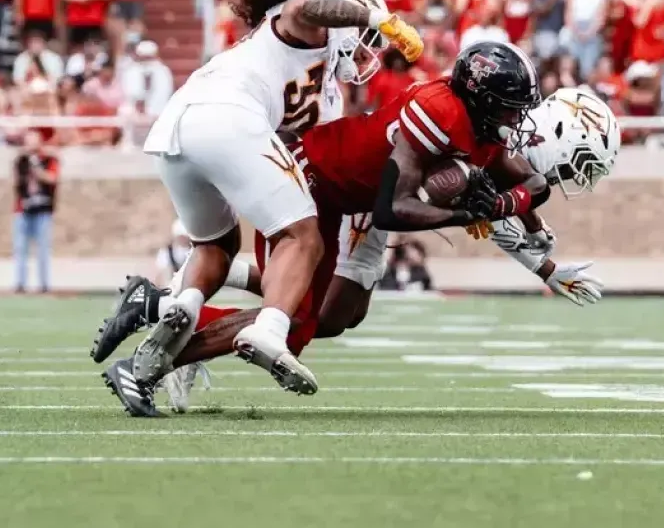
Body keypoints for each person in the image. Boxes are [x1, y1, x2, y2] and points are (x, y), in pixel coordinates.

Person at [105, 41, 554, 416]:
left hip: (336, 197)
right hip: (310, 181)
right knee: (300, 321)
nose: (516, 119)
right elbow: (390, 211)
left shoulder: (474, 121)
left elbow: (533, 182)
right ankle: (144, 366)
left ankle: (159, 310)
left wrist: (513, 209)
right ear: (481, 97)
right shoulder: (440, 114)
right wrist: (468, 214)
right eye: (510, 108)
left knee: (328, 317)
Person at [90, 0, 424, 406]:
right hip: (228, 113)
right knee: (301, 237)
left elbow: (315, 159)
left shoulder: (327, 90)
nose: (367, 54)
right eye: (365, 42)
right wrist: (374, 18)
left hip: (179, 125)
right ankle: (269, 330)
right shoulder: (309, 27)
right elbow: (308, 4)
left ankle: (175, 304)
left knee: (216, 244)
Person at [12, 131, 59, 293]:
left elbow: (53, 178)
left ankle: (44, 284)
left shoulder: (49, 159)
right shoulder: (21, 161)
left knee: (43, 249)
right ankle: (20, 283)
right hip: (23, 210)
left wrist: (37, 171)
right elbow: (16, 180)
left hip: (43, 210)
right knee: (20, 248)